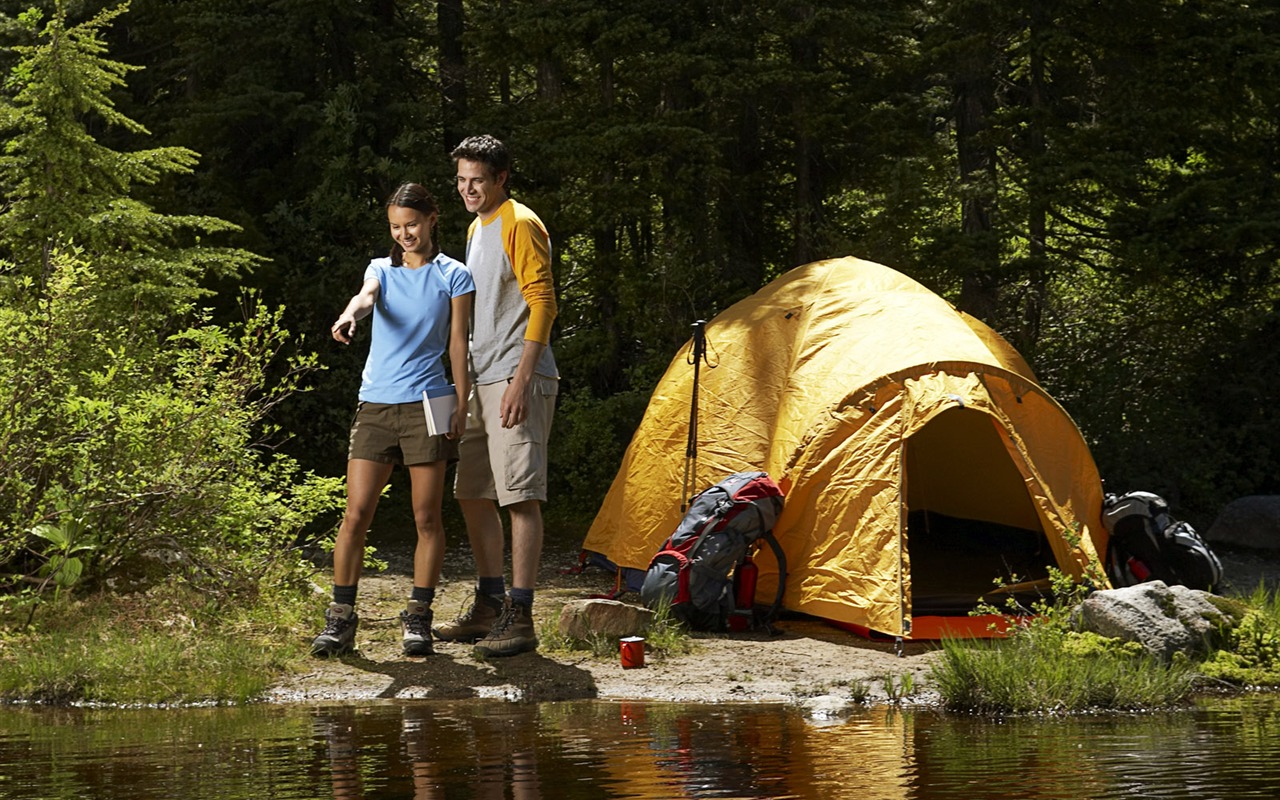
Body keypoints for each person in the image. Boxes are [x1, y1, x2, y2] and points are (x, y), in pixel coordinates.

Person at [311, 183, 474, 658]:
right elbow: (366, 296)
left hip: (434, 400)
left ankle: (418, 619)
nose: (405, 234)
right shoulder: (380, 269)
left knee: (427, 517)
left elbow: (458, 342)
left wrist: (461, 403)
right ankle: (341, 619)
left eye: (413, 225)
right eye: (397, 227)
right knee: (356, 514)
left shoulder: (454, 275)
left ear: (432, 220)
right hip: (376, 404)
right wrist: (349, 315)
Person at [432, 134, 558, 658]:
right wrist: (461, 390)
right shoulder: (475, 227)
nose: (468, 189)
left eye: (477, 181)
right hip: (481, 380)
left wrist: (521, 379)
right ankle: (489, 604)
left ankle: (521, 615)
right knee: (472, 491)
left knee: (521, 497)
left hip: (516, 376)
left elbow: (543, 301)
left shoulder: (519, 222)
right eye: (461, 181)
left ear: (501, 178)